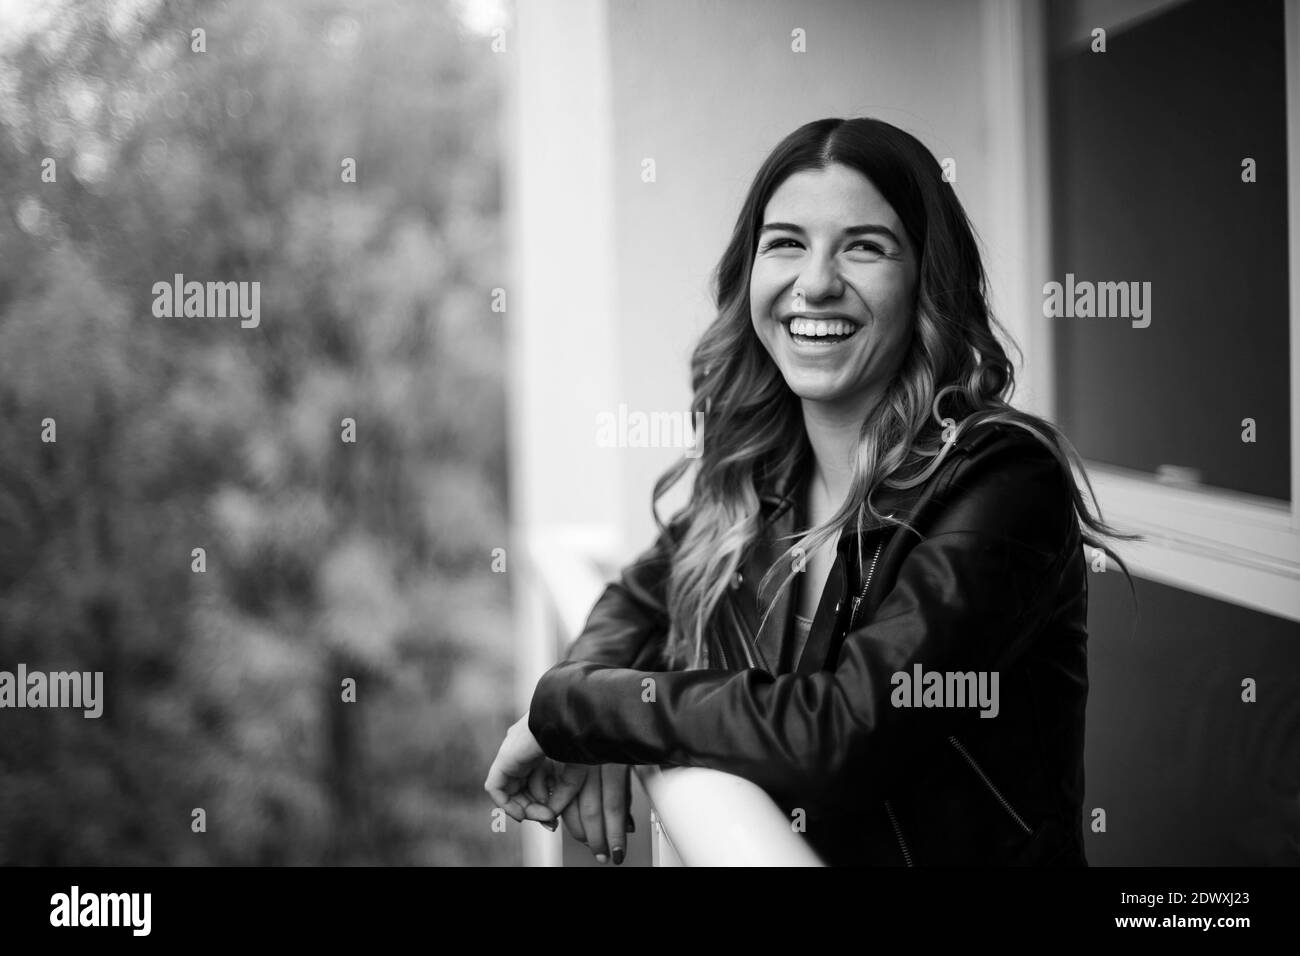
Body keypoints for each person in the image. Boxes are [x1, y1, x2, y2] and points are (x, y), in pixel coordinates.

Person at [485, 116, 1137, 866]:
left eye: (865, 246)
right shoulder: (762, 473)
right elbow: (641, 600)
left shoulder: (1000, 477)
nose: (817, 282)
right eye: (786, 243)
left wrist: (577, 710)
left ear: (929, 278)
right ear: (751, 273)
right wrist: (580, 699)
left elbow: (844, 731)